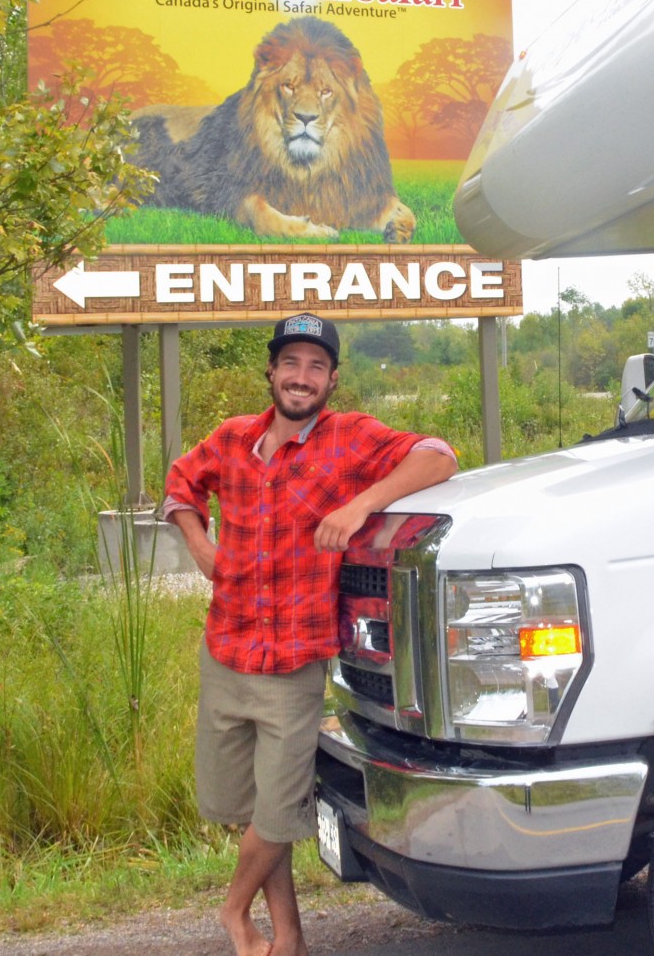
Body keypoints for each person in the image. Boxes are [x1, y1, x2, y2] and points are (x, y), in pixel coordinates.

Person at [163, 312, 456, 956]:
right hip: (227, 652)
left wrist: (360, 505)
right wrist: (197, 540)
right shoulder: (232, 439)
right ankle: (289, 938)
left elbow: (438, 455)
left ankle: (234, 914)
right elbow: (179, 483)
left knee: (278, 812)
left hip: (294, 664)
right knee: (246, 811)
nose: (301, 377)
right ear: (270, 371)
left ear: (331, 379)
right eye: (291, 364)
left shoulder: (349, 438)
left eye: (316, 367)